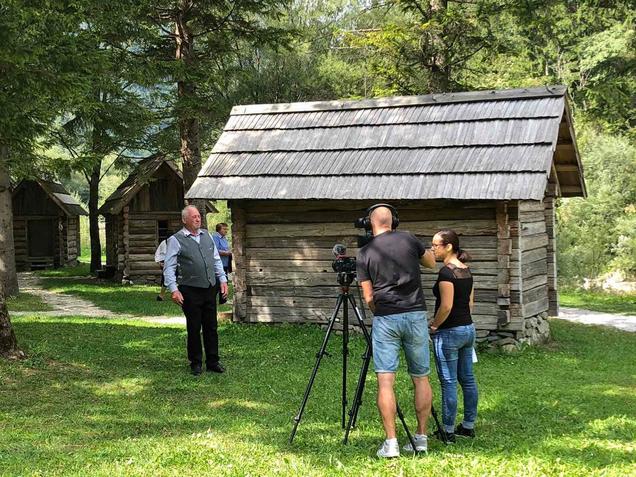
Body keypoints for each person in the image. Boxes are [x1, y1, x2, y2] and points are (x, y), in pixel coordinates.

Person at [356, 204, 436, 458]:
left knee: (385, 380)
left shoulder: (365, 252)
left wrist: (377, 309)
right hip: (415, 314)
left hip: (386, 316)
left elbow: (368, 296)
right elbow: (431, 264)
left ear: (370, 224)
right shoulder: (410, 239)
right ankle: (421, 438)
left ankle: (391, 443)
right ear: (394, 221)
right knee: (421, 377)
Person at [164, 206, 228, 376]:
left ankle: (213, 361)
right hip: (190, 290)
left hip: (209, 288)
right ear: (185, 220)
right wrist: (174, 290)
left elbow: (216, 260)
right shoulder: (176, 240)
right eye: (194, 217)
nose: (198, 219)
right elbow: (168, 267)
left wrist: (222, 279)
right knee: (194, 327)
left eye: (199, 216)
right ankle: (196, 363)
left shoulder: (207, 236)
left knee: (211, 326)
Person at [429, 229, 478, 443]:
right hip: (468, 329)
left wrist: (434, 325)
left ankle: (447, 430)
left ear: (448, 246)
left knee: (448, 381)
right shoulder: (466, 270)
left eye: (436, 245)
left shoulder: (447, 273)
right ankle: (468, 426)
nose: (432, 249)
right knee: (467, 379)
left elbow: (446, 306)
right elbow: (470, 304)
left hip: (449, 332)